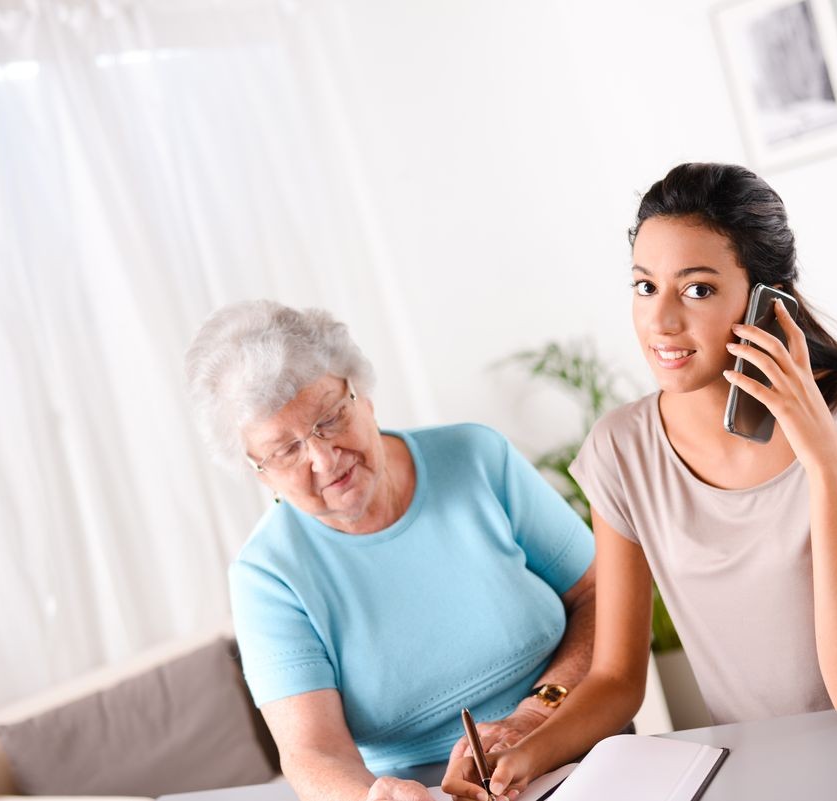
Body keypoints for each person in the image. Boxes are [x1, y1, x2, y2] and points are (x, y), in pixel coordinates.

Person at [443, 162, 837, 800]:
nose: (661, 321)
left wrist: (823, 460)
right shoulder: (620, 450)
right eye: (644, 286)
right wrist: (523, 756)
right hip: (772, 774)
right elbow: (615, 677)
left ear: (767, 302)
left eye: (695, 290)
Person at [184, 300, 596, 801]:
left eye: (330, 418)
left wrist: (538, 712)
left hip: (581, 747)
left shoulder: (476, 457)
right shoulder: (267, 576)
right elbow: (312, 752)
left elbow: (597, 594)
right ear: (259, 471)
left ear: (363, 396)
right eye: (285, 450)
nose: (322, 458)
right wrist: (375, 799)